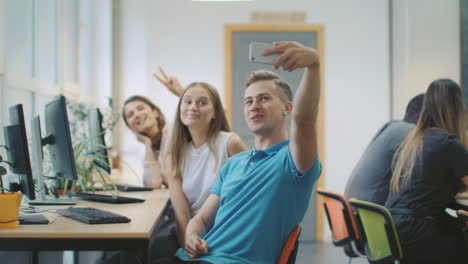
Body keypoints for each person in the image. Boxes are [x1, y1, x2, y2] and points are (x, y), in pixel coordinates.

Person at [174, 41, 322, 264]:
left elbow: (305, 120)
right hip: (198, 258)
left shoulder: (293, 161)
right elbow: (203, 218)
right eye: (248, 101)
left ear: (287, 108)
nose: (254, 106)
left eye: (264, 98)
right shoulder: (234, 163)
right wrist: (192, 235)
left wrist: (314, 65)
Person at [151, 71, 248, 262]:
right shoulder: (175, 155)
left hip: (229, 237)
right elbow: (182, 214)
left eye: (202, 103)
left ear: (215, 113)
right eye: (187, 102)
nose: (193, 107)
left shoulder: (230, 143)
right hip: (195, 237)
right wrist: (189, 246)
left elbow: (250, 199)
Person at [385, 79, 468, 264]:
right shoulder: (449, 144)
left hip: (394, 229)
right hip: (418, 232)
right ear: (458, 108)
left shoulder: (412, 142)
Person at [344, 94, 425, 205]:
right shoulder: (409, 132)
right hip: (367, 213)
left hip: (352, 207)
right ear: (422, 115)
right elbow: (414, 181)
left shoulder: (391, 125)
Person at [122, 95, 170, 188]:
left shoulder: (173, 132)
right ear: (130, 127)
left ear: (155, 112)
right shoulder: (144, 150)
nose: (136, 115)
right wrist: (148, 144)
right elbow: (153, 184)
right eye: (130, 115)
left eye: (140, 108)